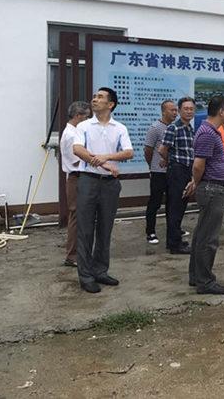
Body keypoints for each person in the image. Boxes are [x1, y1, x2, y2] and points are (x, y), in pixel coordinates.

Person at [72, 87, 134, 293]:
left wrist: (107, 157)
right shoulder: (84, 126)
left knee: (105, 229)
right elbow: (77, 149)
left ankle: (100, 271)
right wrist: (103, 164)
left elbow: (129, 152)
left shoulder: (119, 128)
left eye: (100, 97)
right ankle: (86, 276)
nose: (95, 99)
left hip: (110, 184)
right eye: (94, 97)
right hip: (88, 181)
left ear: (111, 104)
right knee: (85, 230)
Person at [183, 96, 224, 295]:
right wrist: (196, 182)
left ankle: (196, 276)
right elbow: (198, 165)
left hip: (214, 188)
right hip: (212, 190)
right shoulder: (207, 133)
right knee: (208, 238)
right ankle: (205, 281)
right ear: (221, 111)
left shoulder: (210, 131)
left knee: (202, 234)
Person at [159, 97, 196, 255]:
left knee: (181, 207)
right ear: (180, 111)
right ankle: (174, 245)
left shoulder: (190, 129)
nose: (189, 111)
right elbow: (162, 149)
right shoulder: (173, 128)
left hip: (188, 170)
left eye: (191, 109)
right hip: (177, 171)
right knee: (175, 207)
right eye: (185, 109)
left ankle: (175, 240)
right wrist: (171, 162)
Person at [59, 100, 91, 267]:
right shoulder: (71, 135)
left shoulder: (73, 132)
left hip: (79, 177)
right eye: (86, 117)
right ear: (78, 116)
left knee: (81, 217)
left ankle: (79, 253)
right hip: (76, 178)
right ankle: (72, 255)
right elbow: (78, 160)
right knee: (76, 217)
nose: (88, 120)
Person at [143, 99, 178, 244]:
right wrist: (152, 166)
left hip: (173, 172)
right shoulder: (155, 128)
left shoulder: (176, 127)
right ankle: (150, 232)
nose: (175, 113)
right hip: (158, 172)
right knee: (155, 202)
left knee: (173, 202)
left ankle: (174, 229)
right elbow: (148, 150)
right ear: (164, 111)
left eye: (176, 110)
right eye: (172, 110)